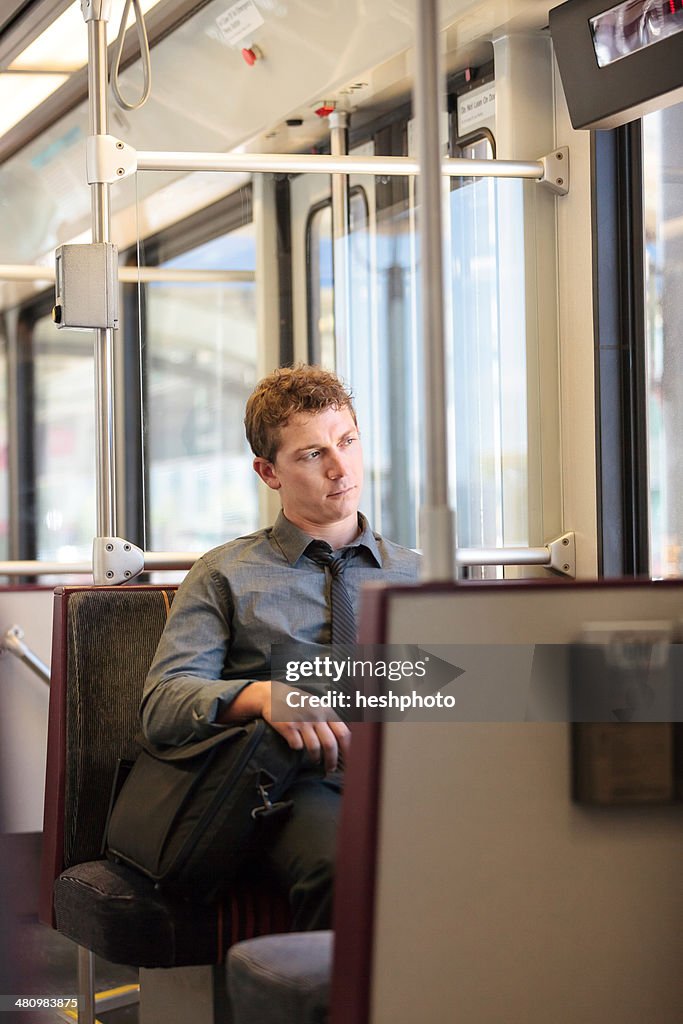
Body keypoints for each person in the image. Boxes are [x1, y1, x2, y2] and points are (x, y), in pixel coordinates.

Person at [140, 364, 420, 929]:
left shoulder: (420, 574)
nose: (341, 468)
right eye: (312, 454)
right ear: (268, 472)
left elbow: (470, 692)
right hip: (290, 784)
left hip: (411, 774)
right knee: (351, 865)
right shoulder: (225, 573)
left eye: (347, 442)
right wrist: (261, 695)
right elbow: (162, 705)